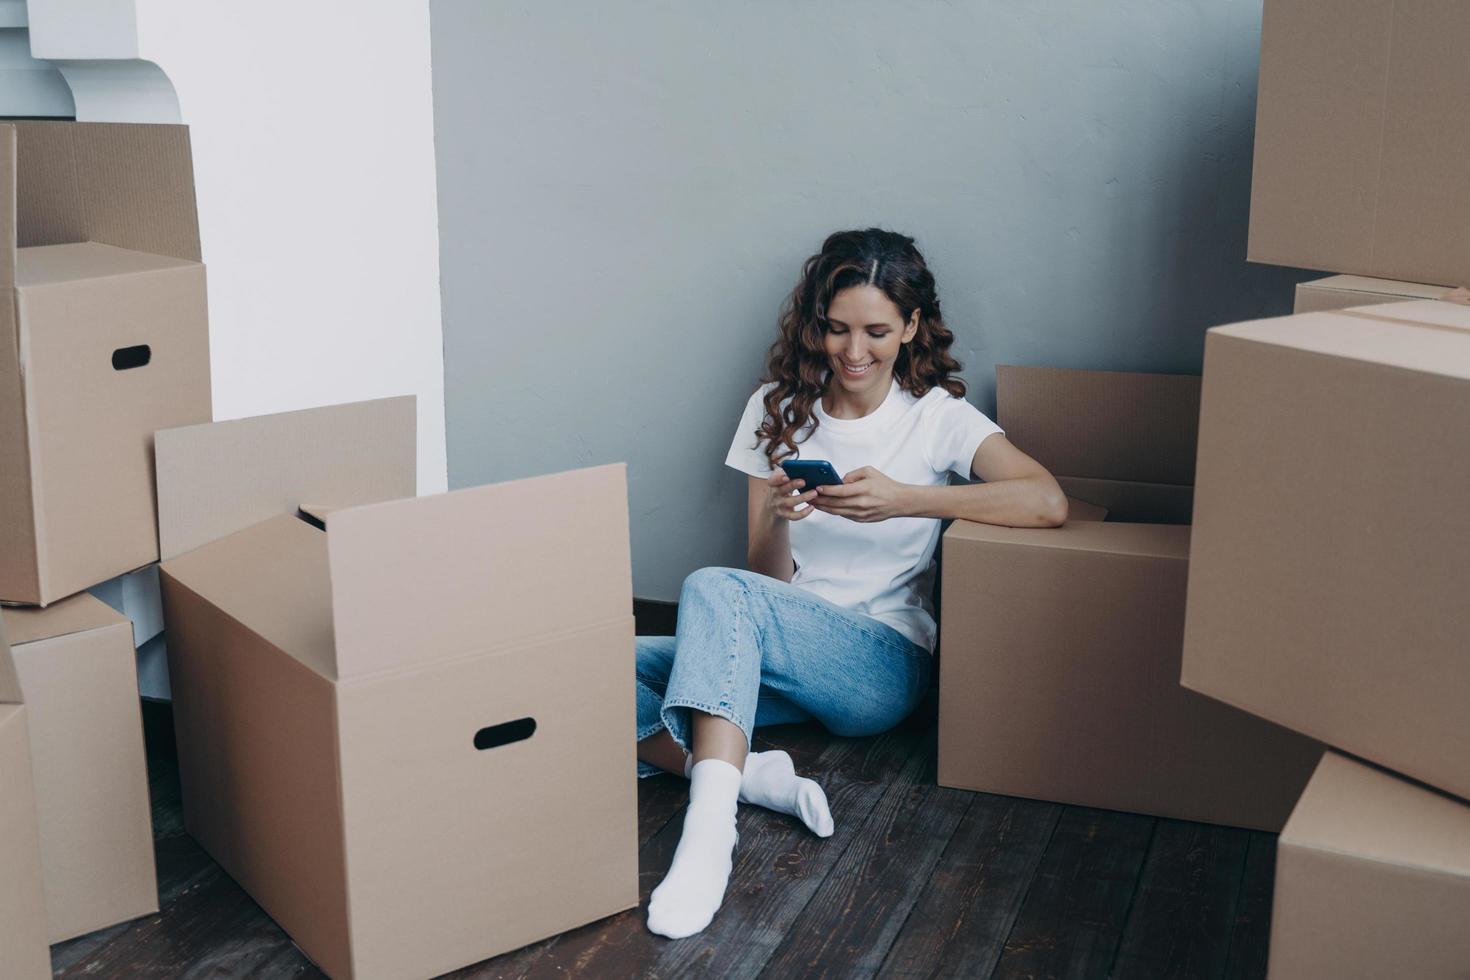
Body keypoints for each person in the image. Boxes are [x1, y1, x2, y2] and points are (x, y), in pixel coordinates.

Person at [635, 228, 1067, 939]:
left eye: (876, 331)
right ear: (816, 326)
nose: (854, 352)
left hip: (880, 666)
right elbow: (761, 583)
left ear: (912, 327)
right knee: (582, 677)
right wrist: (777, 520)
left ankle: (708, 833)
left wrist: (909, 498)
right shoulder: (774, 409)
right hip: (779, 651)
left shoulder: (935, 418)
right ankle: (748, 777)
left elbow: (1046, 500)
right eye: (837, 330)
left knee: (710, 587)